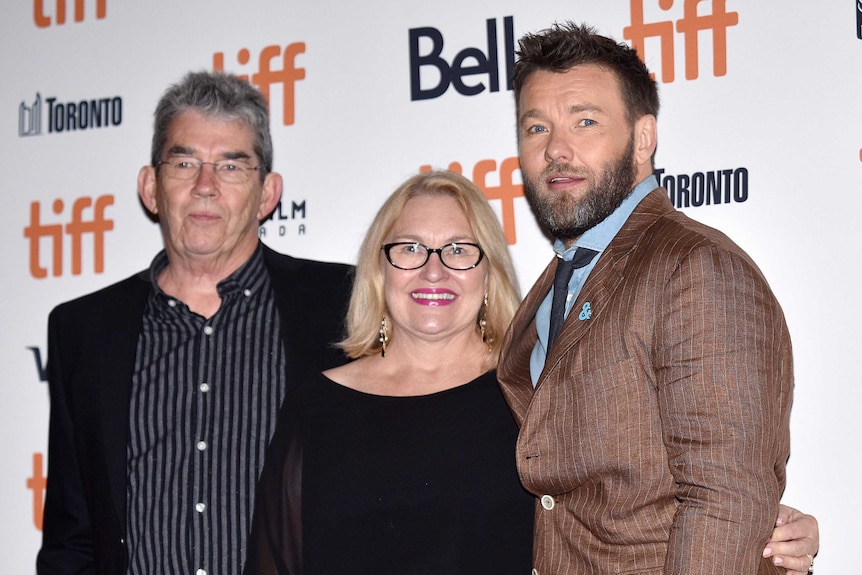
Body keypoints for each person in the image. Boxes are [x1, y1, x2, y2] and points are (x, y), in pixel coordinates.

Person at [497, 22, 803, 574]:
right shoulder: (558, 282)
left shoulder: (695, 267)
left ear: (643, 138)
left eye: (585, 122)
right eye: (535, 127)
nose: (556, 150)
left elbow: (725, 502)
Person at [36, 71, 352, 575]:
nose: (205, 186)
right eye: (184, 163)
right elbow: (72, 538)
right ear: (151, 187)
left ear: (268, 193)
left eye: (231, 166)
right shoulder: (83, 331)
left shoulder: (344, 306)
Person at [244, 170, 535, 574]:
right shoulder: (315, 408)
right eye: (411, 248)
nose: (434, 271)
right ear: (379, 271)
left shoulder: (530, 395)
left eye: (458, 249)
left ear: (488, 273)